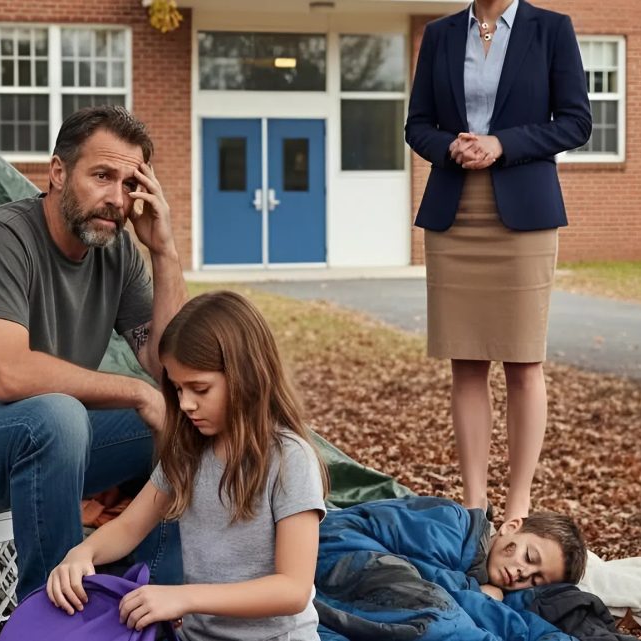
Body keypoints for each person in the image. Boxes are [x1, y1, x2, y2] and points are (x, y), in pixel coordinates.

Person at [0, 105, 188, 599]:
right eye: (102, 176)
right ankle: (51, 617)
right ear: (58, 172)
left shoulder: (117, 252)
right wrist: (137, 392)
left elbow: (172, 366)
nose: (117, 199)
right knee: (58, 415)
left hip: (50, 443)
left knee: (180, 420)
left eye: (129, 184)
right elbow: (8, 374)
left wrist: (164, 251)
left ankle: (158, 602)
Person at [47, 291, 329, 640]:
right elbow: (129, 527)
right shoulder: (188, 452)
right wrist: (83, 552)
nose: (185, 404)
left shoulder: (290, 459)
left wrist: (183, 597)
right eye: (178, 389)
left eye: (200, 388)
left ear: (247, 375)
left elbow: (292, 590)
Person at [405, 0, 592, 523]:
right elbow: (417, 125)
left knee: (523, 362)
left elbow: (576, 122)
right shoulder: (441, 34)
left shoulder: (551, 29)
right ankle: (474, 504)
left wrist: (501, 144)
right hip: (455, 213)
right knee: (465, 362)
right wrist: (452, 147)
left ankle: (517, 505)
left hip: (524, 216)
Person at [314, 496, 588, 641]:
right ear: (511, 527)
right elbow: (428, 583)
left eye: (536, 580)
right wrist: (478, 592)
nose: (522, 573)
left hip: (359, 574)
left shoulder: (480, 575)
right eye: (529, 557)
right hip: (332, 547)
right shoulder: (452, 522)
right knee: (439, 616)